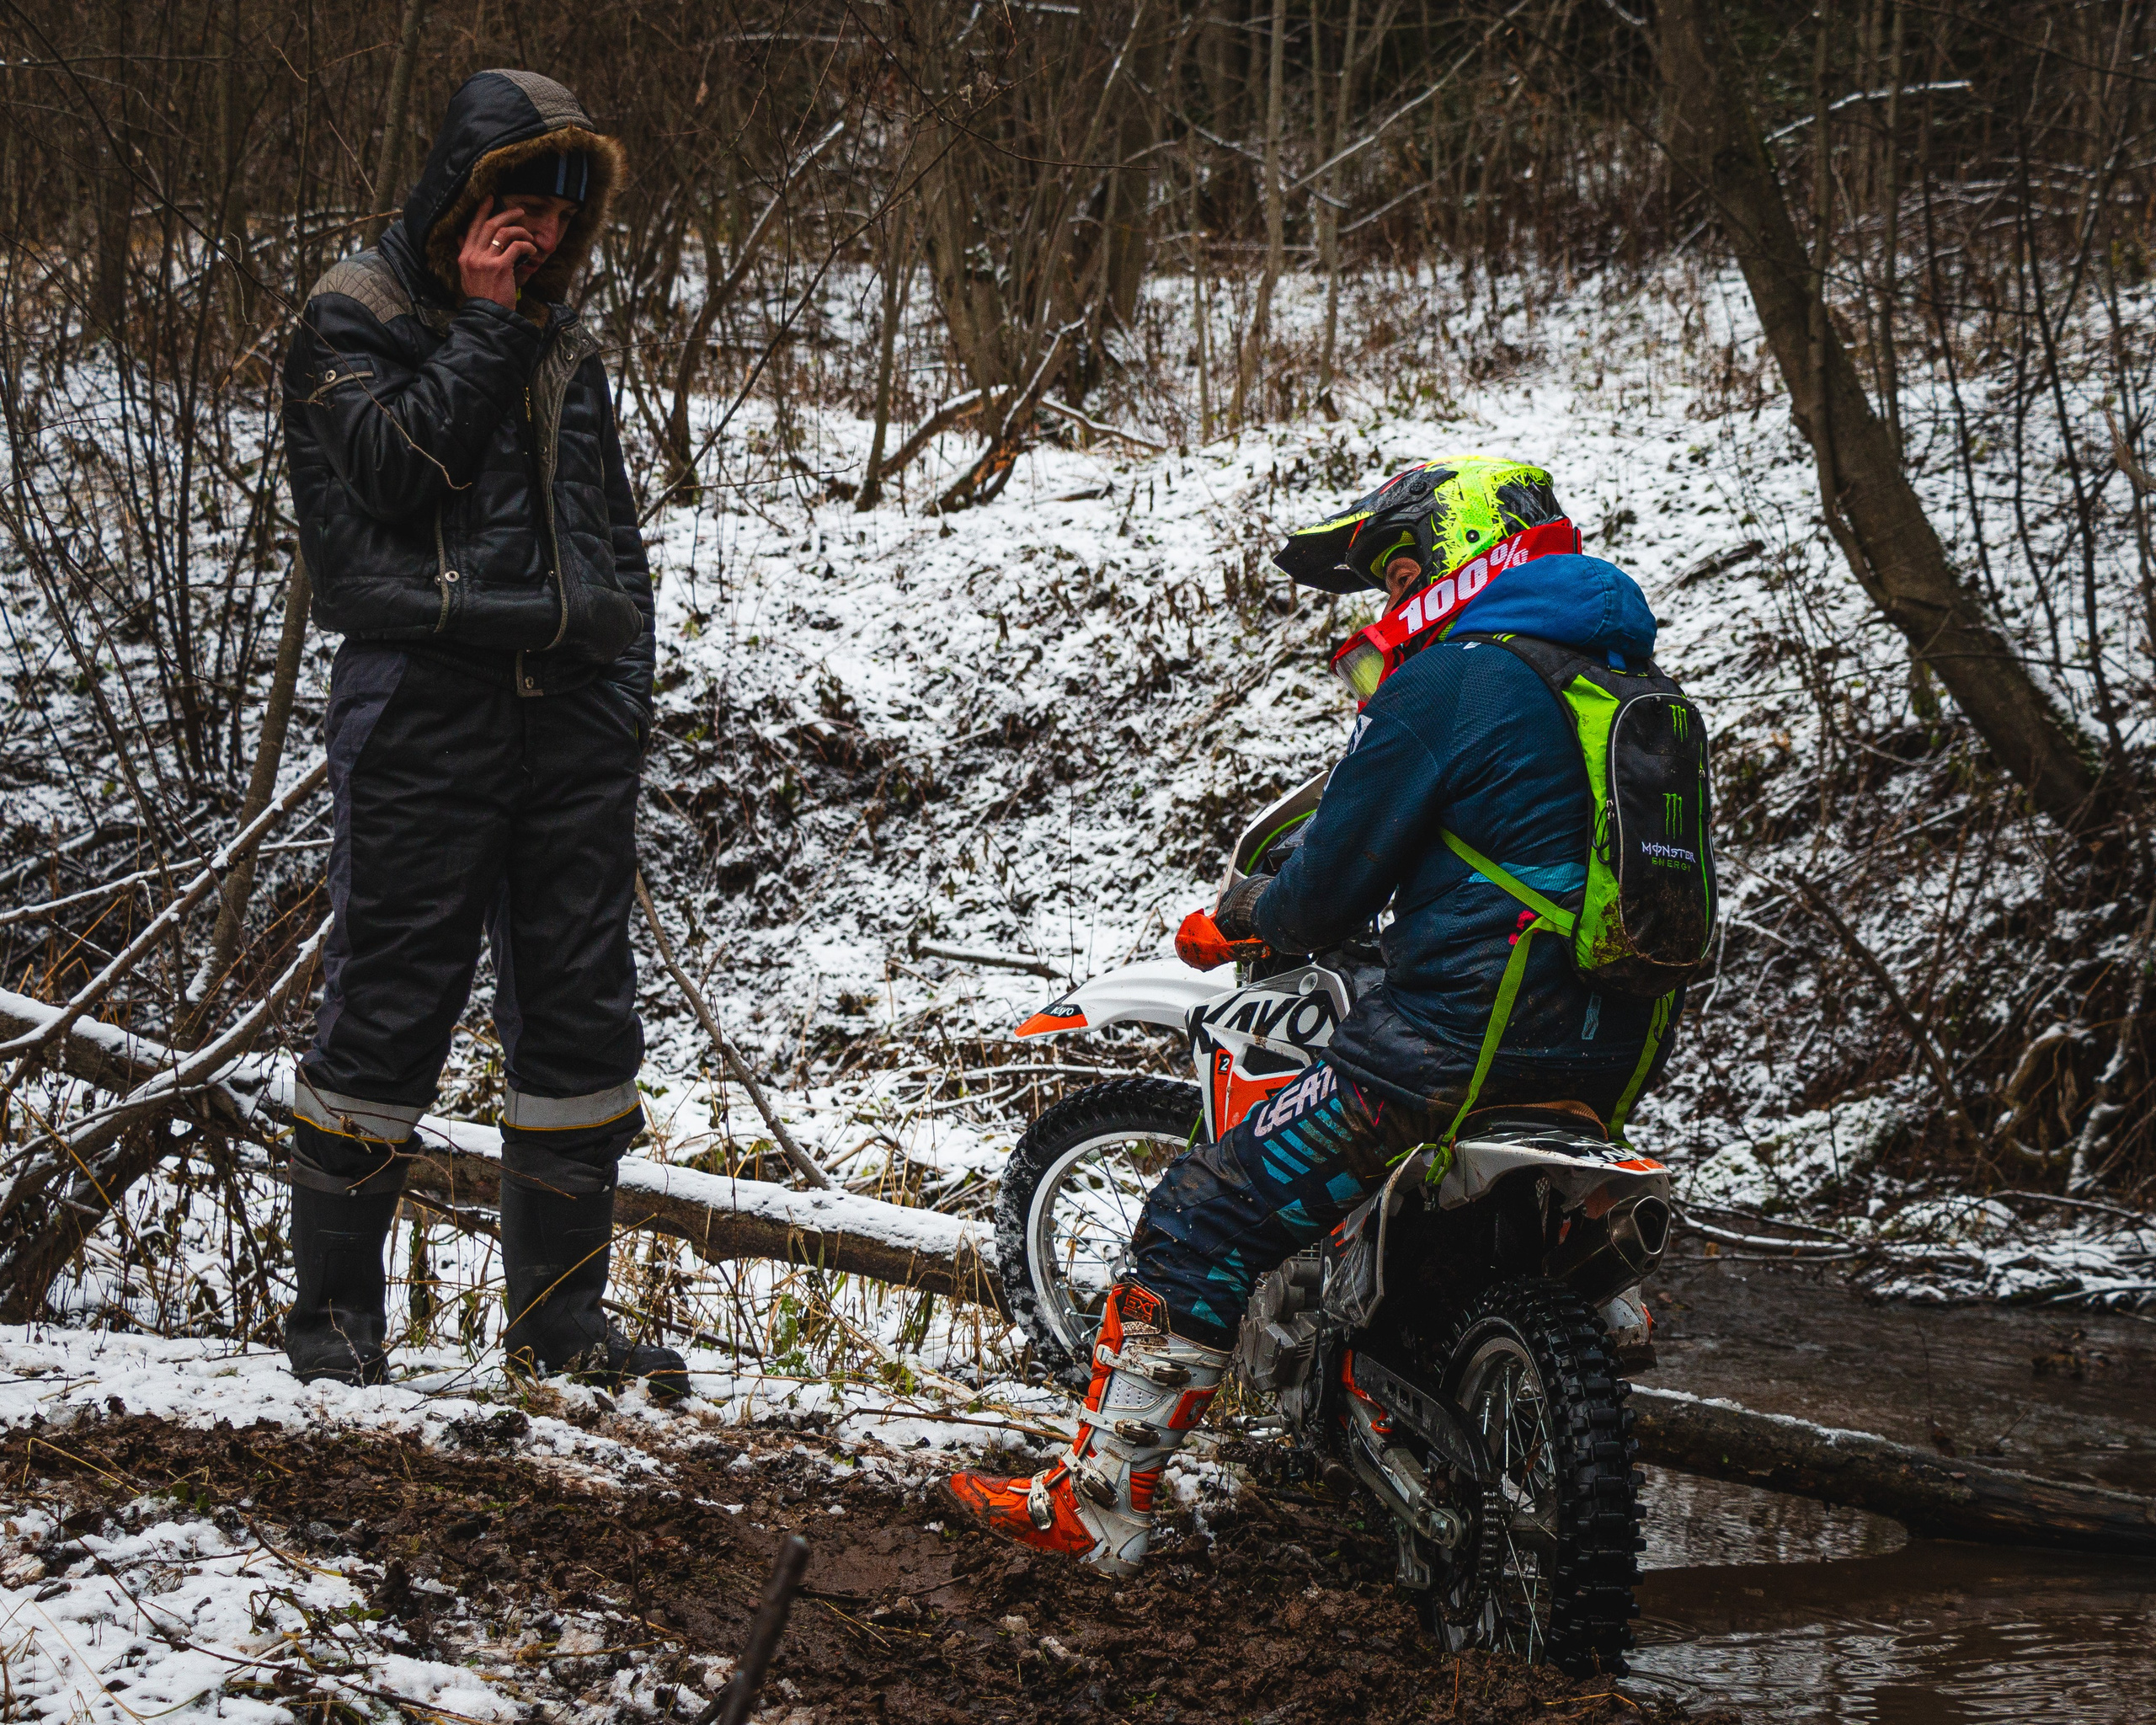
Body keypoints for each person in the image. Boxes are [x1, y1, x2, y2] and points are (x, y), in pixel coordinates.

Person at [943, 456, 1678, 1573]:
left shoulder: (1456, 678)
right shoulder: (1629, 692)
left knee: (1203, 1205)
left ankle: (1093, 1510)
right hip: (1606, 1061)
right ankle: (1538, 1351)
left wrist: (1234, 917)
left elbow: (1320, 894)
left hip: (1442, 1055)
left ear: (1457, 552)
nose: (1389, 606)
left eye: (1398, 572)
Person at [279, 70, 685, 1399]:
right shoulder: (359, 312)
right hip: (423, 706)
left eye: (565, 215)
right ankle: (334, 1327)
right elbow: (399, 474)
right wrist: (486, 320)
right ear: (464, 191)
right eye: (521, 207)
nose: (545, 239)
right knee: (390, 1007)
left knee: (580, 1020)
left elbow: (611, 533)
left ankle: (560, 1333)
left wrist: (622, 671)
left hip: (572, 714)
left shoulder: (565, 338)